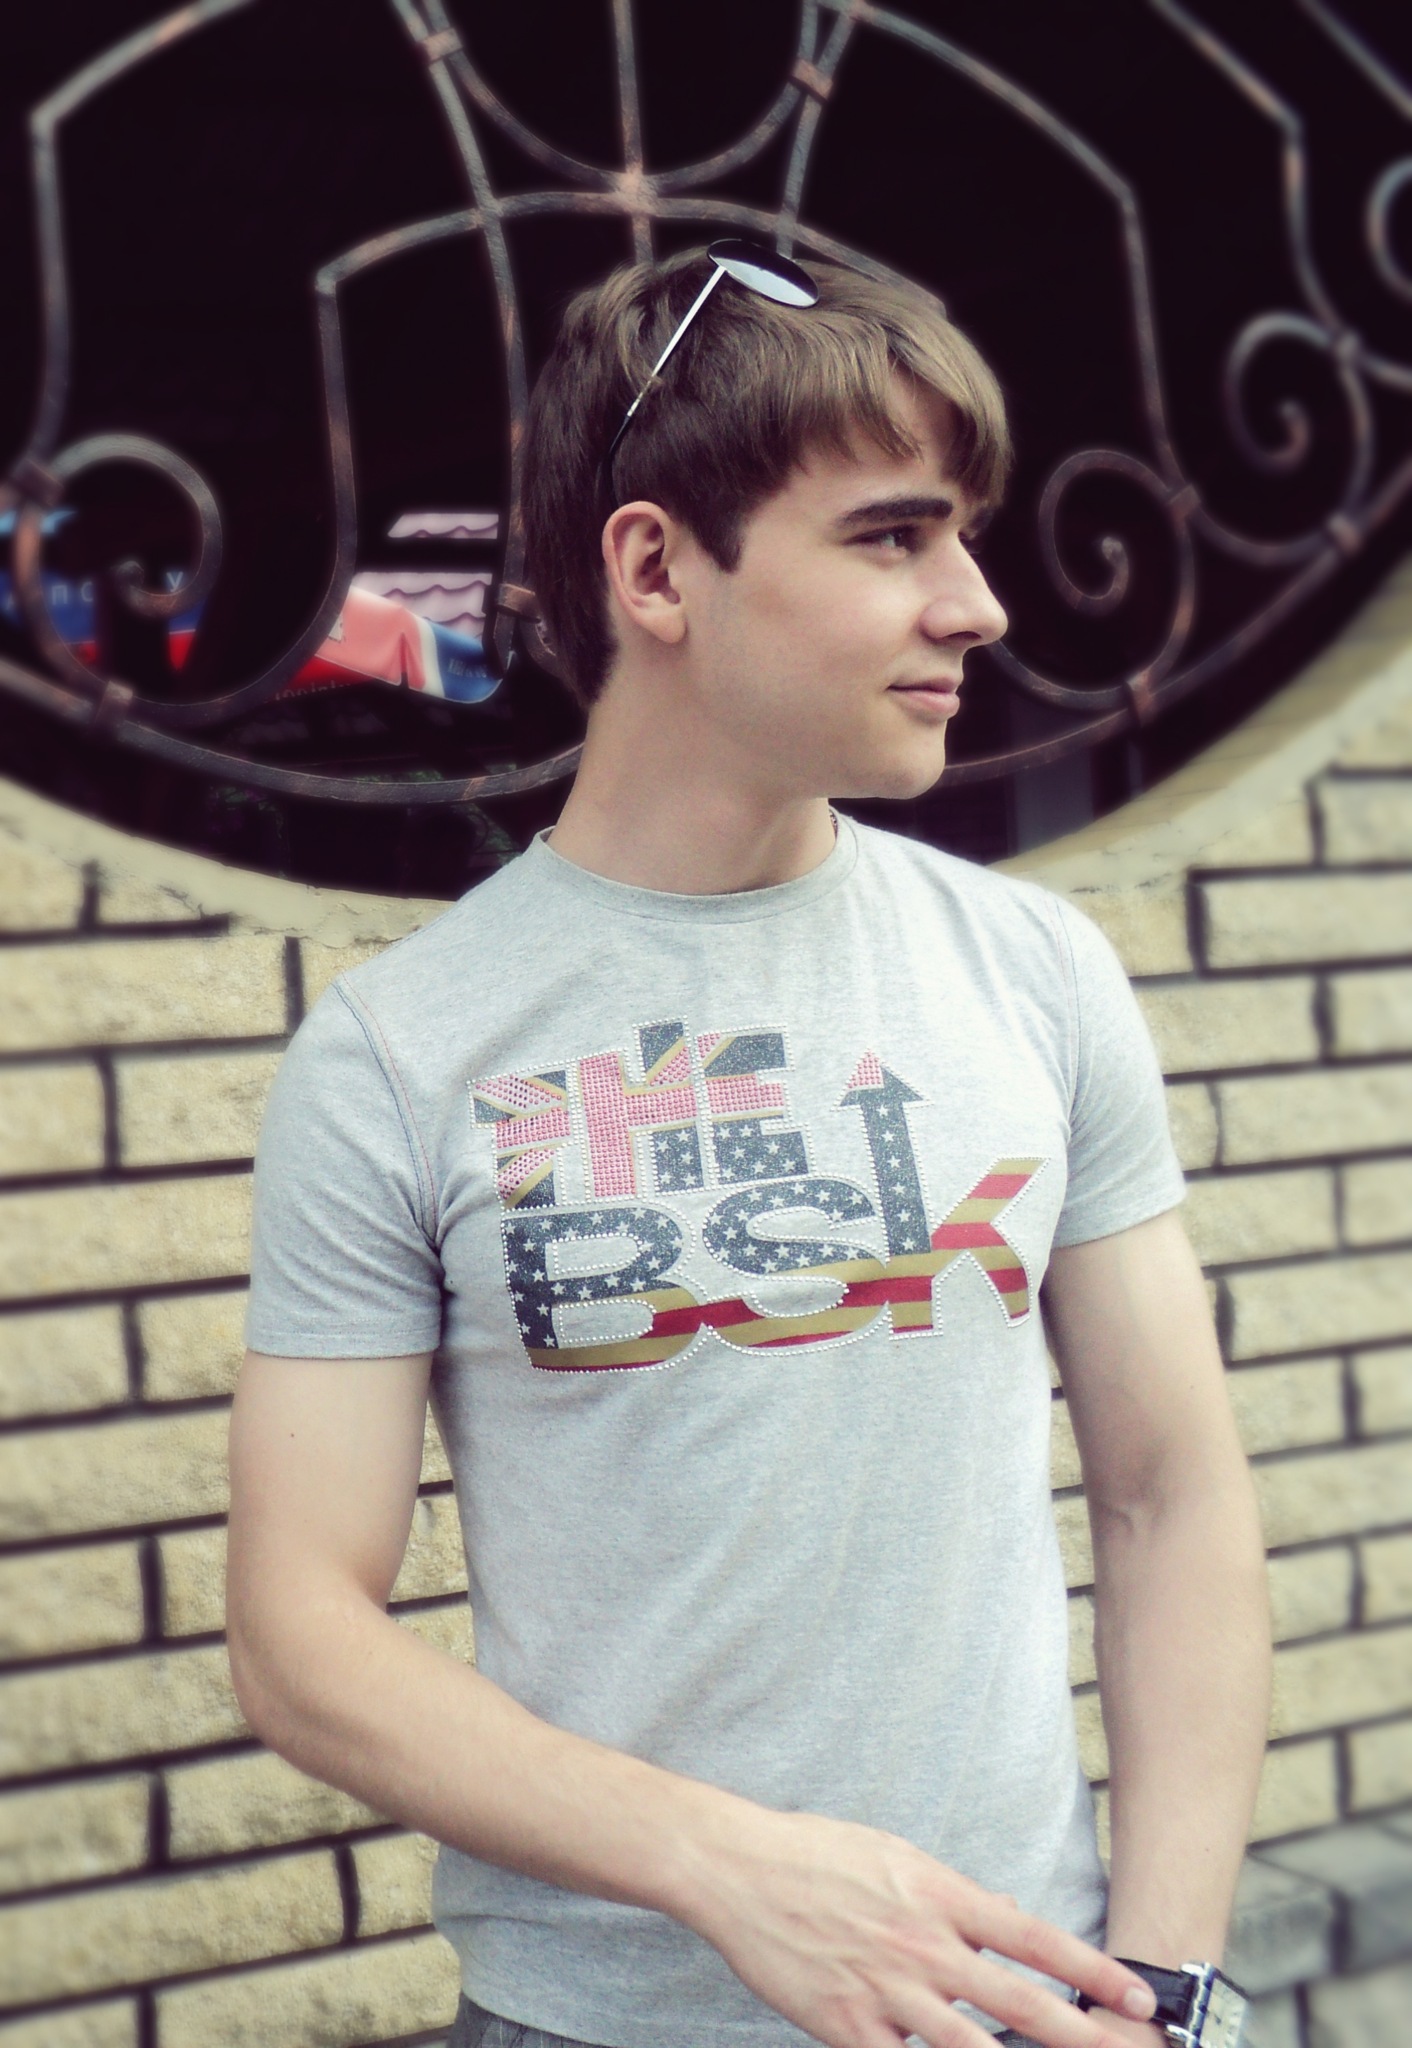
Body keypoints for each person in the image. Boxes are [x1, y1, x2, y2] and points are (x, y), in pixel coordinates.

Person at [228, 246, 1272, 2048]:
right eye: (892, 537)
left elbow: (1170, 1493)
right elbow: (296, 1634)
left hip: (1031, 2003)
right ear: (656, 571)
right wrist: (726, 1866)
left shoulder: (1033, 973)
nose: (977, 606)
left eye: (962, 536)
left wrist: (1167, 1990)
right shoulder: (398, 1056)